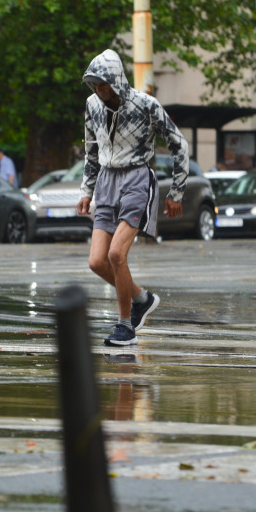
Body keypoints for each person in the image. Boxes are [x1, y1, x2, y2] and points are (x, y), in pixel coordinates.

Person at [77, 49, 189, 347]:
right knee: (97, 261)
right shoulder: (91, 105)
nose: (99, 90)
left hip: (137, 179)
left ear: (116, 80)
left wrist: (176, 192)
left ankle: (125, 326)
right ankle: (141, 298)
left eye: (103, 84)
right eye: (94, 84)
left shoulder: (145, 104)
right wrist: (86, 190)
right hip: (106, 181)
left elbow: (179, 144)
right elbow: (91, 151)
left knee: (116, 255)